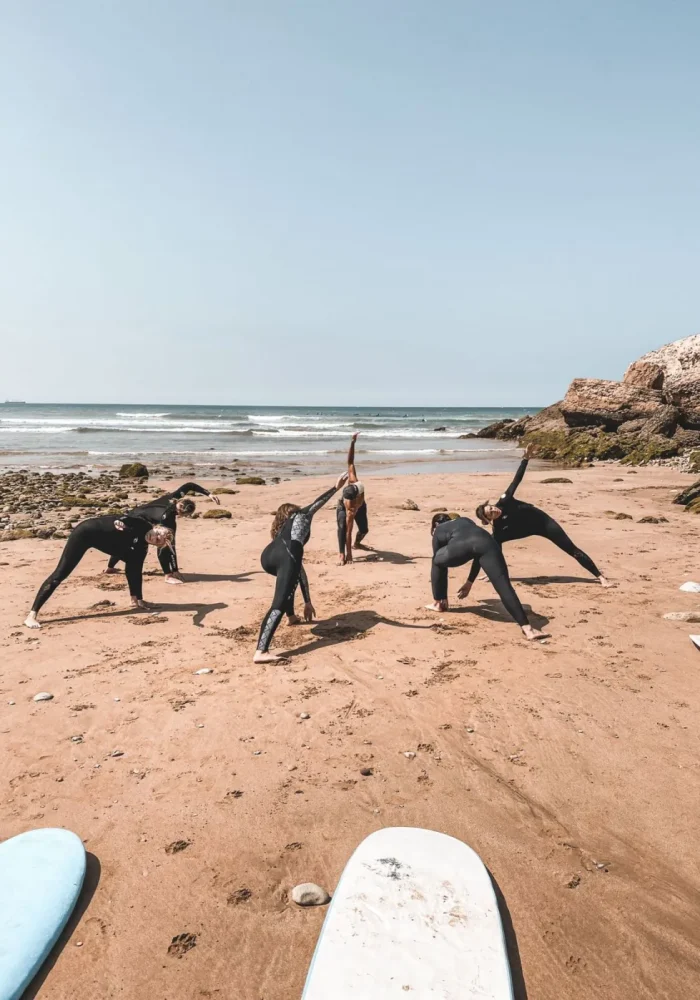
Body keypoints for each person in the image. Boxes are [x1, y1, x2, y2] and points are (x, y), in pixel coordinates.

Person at [474, 446, 611, 587]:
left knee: (571, 549)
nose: (494, 510)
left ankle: (600, 577)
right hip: (525, 530)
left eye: (492, 507)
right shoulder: (498, 530)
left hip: (543, 523)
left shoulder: (505, 501)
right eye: (491, 513)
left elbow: (516, 480)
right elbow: (496, 555)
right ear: (488, 520)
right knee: (494, 544)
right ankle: (492, 573)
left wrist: (525, 459)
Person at [255, 472, 348, 663]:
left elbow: (297, 570)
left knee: (288, 581)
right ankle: (261, 651)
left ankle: (291, 616)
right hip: (286, 557)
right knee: (278, 604)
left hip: (268, 557)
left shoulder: (283, 531)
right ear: (293, 511)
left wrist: (307, 601)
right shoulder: (300, 516)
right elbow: (316, 504)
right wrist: (336, 487)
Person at [24, 515, 174, 629]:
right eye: (157, 533)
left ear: (156, 546)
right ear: (156, 527)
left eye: (157, 541)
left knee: (135, 562)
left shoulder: (142, 547)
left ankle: (136, 600)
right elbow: (124, 519)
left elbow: (134, 570)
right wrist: (120, 523)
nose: (154, 538)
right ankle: (31, 615)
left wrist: (139, 597)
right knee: (60, 574)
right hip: (85, 533)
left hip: (104, 542)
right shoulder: (142, 524)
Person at [426, 513, 548, 641]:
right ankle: (528, 629)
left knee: (436, 561)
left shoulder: (439, 529)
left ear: (436, 524)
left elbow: (439, 561)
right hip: (487, 541)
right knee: (504, 585)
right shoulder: (466, 520)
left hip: (461, 546)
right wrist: (469, 582)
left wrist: (442, 595)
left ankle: (439, 603)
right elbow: (477, 554)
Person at [104, 481, 220, 584]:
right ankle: (168, 576)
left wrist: (209, 494)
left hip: (133, 513)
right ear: (182, 514)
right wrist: (173, 571)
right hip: (136, 521)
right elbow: (166, 547)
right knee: (157, 544)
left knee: (125, 543)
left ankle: (110, 568)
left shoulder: (174, 497)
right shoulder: (167, 520)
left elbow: (190, 485)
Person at [337, 433, 369, 565]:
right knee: (342, 527)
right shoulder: (347, 503)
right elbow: (350, 462)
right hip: (341, 507)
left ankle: (357, 543)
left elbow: (351, 462)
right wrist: (352, 442)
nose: (348, 506)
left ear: (356, 499)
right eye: (347, 502)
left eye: (350, 505)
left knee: (364, 530)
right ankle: (341, 553)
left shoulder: (357, 484)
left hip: (360, 507)